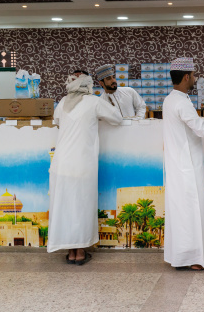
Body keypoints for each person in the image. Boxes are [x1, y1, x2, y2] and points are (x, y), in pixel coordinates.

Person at [47, 72, 123, 264]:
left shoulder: (63, 102)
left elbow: (57, 122)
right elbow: (117, 118)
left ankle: (71, 251)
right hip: (82, 164)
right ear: (88, 84)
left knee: (65, 207)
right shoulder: (93, 102)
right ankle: (79, 252)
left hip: (60, 164)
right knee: (80, 206)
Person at [163, 57, 204, 271]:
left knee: (182, 212)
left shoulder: (171, 99)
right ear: (186, 77)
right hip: (187, 167)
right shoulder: (181, 101)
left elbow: (192, 126)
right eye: (194, 75)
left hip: (177, 166)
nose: (196, 79)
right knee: (193, 211)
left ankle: (181, 257)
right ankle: (196, 259)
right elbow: (200, 129)